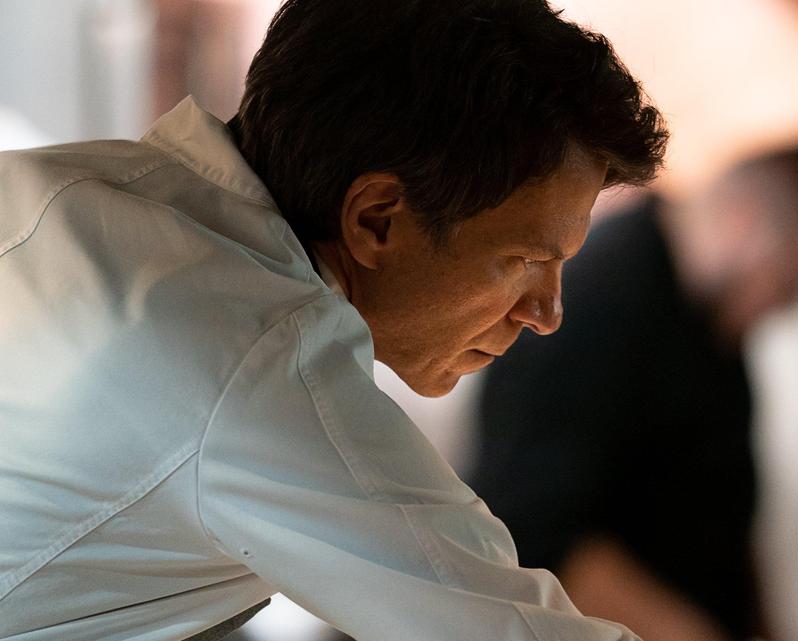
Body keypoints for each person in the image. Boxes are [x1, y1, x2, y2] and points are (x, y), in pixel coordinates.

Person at [0, 1, 667, 639]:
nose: (547, 313)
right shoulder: (256, 358)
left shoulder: (58, 186)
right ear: (376, 219)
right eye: (527, 259)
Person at [469, 146, 798, 641]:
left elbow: (726, 515)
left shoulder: (714, 320)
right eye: (794, 284)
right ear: (745, 222)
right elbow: (534, 531)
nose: (787, 307)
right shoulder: (598, 298)